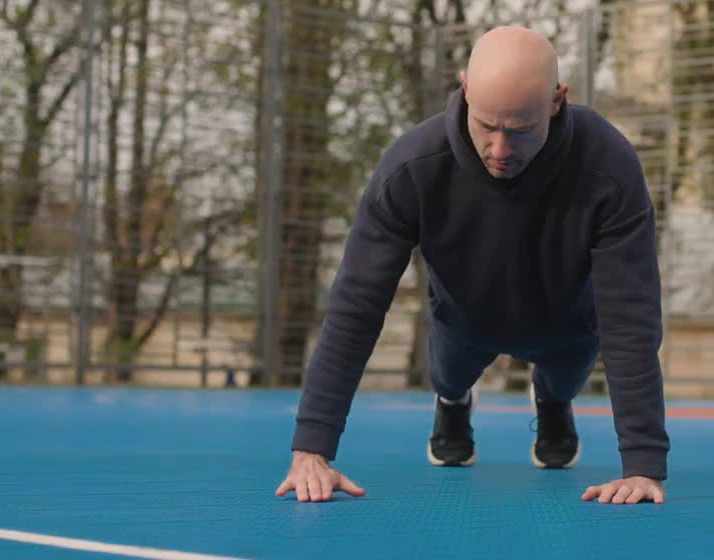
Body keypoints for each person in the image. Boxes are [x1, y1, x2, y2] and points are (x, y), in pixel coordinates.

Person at [275, 25, 669, 505]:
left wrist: (643, 466)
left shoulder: (608, 166)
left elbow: (631, 316)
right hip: (463, 316)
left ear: (557, 100)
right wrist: (311, 450)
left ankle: (552, 400)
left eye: (521, 130)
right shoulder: (412, 168)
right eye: (487, 126)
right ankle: (453, 402)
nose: (500, 151)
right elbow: (356, 305)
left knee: (564, 378)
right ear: (464, 87)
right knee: (451, 372)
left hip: (569, 323)